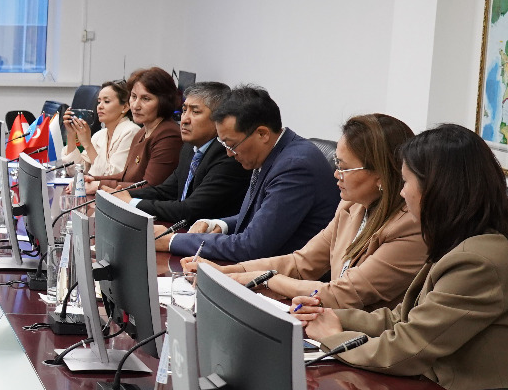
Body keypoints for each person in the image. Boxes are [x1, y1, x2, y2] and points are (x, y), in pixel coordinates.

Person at [294, 124, 508, 390]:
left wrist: (334, 339)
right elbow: (401, 319)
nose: (402, 193)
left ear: (437, 189)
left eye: (406, 182)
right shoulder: (461, 245)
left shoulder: (477, 262)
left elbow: (406, 351)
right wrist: (335, 317)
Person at [218, 113, 423, 310]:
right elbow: (302, 263)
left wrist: (269, 279)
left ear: (380, 174)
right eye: (336, 163)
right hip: (326, 318)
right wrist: (229, 271)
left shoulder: (409, 226)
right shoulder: (351, 206)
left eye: (343, 167)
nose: (336, 173)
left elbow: (344, 293)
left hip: (366, 336)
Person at [163, 85, 337, 263]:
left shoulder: (295, 167)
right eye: (224, 145)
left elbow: (252, 246)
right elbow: (260, 216)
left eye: (232, 145)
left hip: (293, 281)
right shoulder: (272, 152)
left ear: (262, 134)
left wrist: (172, 240)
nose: (229, 153)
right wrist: (220, 224)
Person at [119, 81, 249, 226]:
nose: (184, 119)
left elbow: (189, 210)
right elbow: (166, 191)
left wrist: (130, 202)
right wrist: (119, 195)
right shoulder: (190, 148)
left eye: (195, 112)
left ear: (219, 119)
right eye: (184, 110)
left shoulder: (227, 155)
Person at [89, 67, 182, 192]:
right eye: (133, 97)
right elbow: (125, 176)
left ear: (164, 101)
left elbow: (149, 187)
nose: (135, 105)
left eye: (145, 99)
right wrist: (92, 179)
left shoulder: (168, 135)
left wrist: (99, 186)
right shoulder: (141, 132)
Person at [60, 80, 138, 178]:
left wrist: (87, 144)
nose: (99, 107)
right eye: (99, 101)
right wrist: (71, 134)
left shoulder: (131, 132)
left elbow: (111, 176)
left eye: (106, 101)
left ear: (125, 107)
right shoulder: (100, 135)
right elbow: (75, 171)